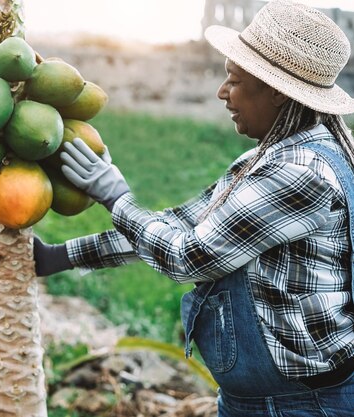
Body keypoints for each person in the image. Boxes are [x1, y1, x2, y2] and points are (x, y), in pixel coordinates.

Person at [33, 0, 354, 415]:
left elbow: (189, 256)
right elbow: (185, 227)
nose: (222, 93)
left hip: (301, 405)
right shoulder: (274, 157)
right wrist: (59, 256)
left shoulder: (299, 173)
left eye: (233, 80)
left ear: (276, 92)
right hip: (262, 399)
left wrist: (115, 197)